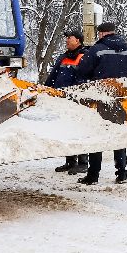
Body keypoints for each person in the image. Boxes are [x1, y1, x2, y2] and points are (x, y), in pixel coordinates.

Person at [74, 20, 127, 185]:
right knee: (119, 134)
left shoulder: (97, 49)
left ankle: (93, 175)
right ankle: (121, 174)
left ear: (101, 34)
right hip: (121, 98)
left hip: (101, 97)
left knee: (98, 135)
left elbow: (82, 70)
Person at [45, 30, 88, 174]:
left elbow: (84, 80)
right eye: (67, 38)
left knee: (80, 131)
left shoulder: (84, 57)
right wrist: (46, 89)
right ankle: (70, 161)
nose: (67, 40)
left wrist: (74, 94)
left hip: (77, 100)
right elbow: (53, 76)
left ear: (78, 41)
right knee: (67, 130)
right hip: (61, 99)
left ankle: (83, 162)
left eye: (70, 38)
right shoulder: (63, 57)